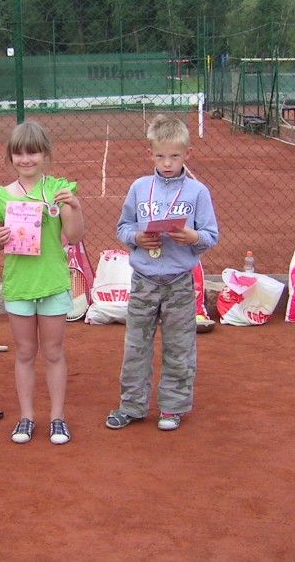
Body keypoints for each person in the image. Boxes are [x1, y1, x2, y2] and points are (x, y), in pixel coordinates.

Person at [105, 114, 219, 432]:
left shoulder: (198, 193)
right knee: (136, 346)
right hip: (143, 281)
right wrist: (137, 238)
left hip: (179, 282)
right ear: (150, 154)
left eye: (174, 156)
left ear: (187, 155)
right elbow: (123, 227)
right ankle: (132, 405)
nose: (167, 163)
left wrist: (193, 238)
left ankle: (172, 407)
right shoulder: (140, 188)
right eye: (160, 156)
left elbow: (211, 235)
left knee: (179, 347)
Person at [0, 121, 84, 445]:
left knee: (53, 352)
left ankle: (57, 417)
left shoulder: (59, 189)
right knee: (25, 352)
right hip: (20, 285)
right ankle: (26, 417)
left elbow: (76, 235)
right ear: (10, 157)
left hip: (52, 282)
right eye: (19, 153)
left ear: (45, 155)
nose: (26, 159)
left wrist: (74, 206)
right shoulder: (1, 196)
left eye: (33, 152)